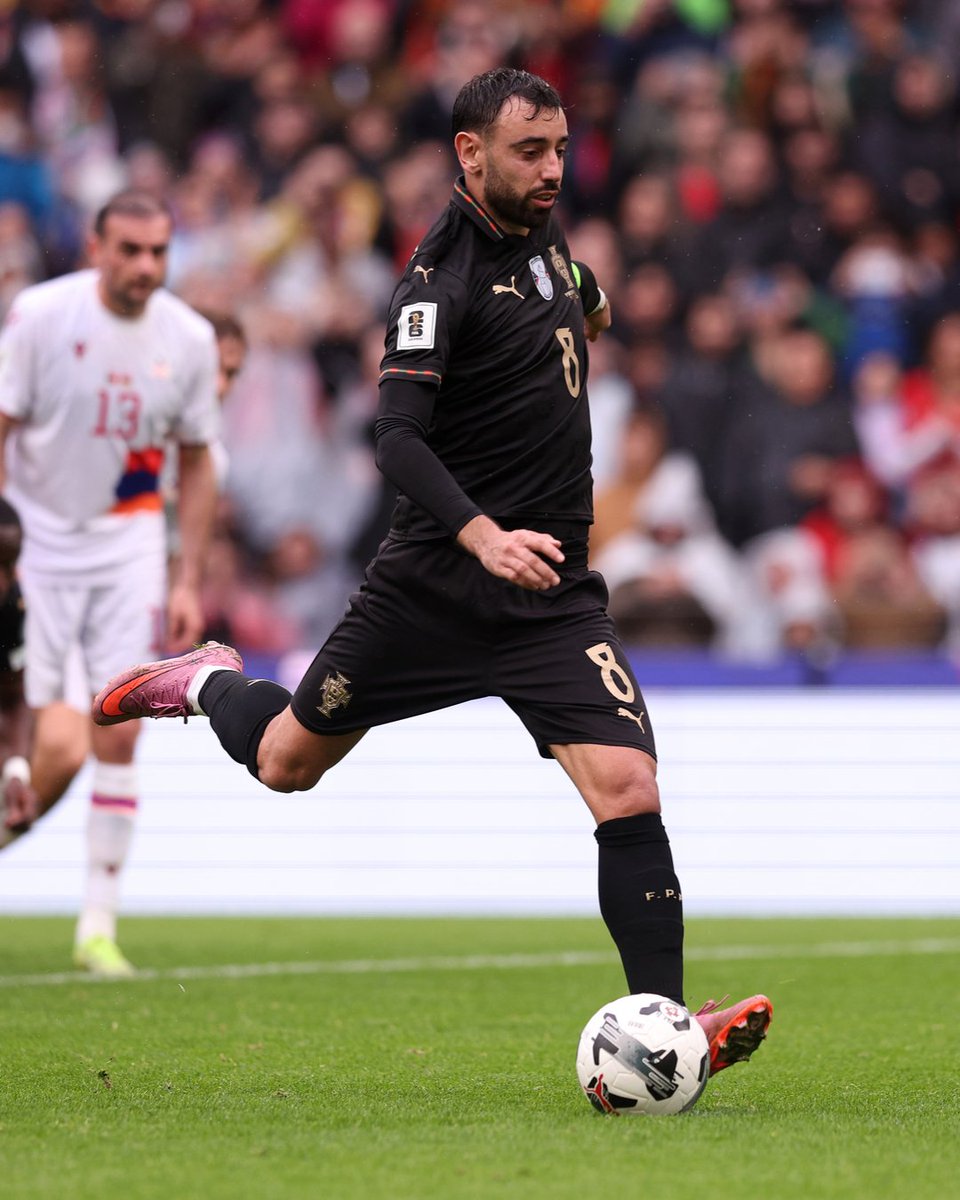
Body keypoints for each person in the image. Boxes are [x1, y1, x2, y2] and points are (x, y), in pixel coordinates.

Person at [92, 70, 773, 1075]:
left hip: (548, 594)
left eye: (559, 148)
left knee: (629, 787)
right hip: (433, 587)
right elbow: (397, 438)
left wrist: (588, 302)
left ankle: (671, 1033)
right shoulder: (436, 279)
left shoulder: (543, 233)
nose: (552, 169)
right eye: (530, 152)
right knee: (285, 762)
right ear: (470, 153)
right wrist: (483, 535)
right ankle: (206, 681)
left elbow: (574, 288)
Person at [0, 189, 221, 977]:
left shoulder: (189, 339)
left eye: (158, 252)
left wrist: (187, 577)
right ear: (96, 248)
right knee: (37, 736)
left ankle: (98, 925)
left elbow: (196, 459)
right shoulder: (40, 317)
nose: (145, 267)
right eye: (129, 250)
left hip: (127, 549)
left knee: (120, 724)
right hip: (34, 548)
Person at [0, 499, 39, 844]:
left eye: (10, 565)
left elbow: (13, 698)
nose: (3, 582)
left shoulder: (11, 606)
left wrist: (15, 773)